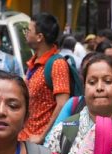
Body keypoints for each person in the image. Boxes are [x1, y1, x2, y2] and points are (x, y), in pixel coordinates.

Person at [21, 12, 73, 143]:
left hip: (43, 143)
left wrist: (42, 136)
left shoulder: (57, 64)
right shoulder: (34, 62)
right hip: (27, 137)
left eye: (29, 30)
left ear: (39, 37)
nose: (26, 33)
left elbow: (62, 105)